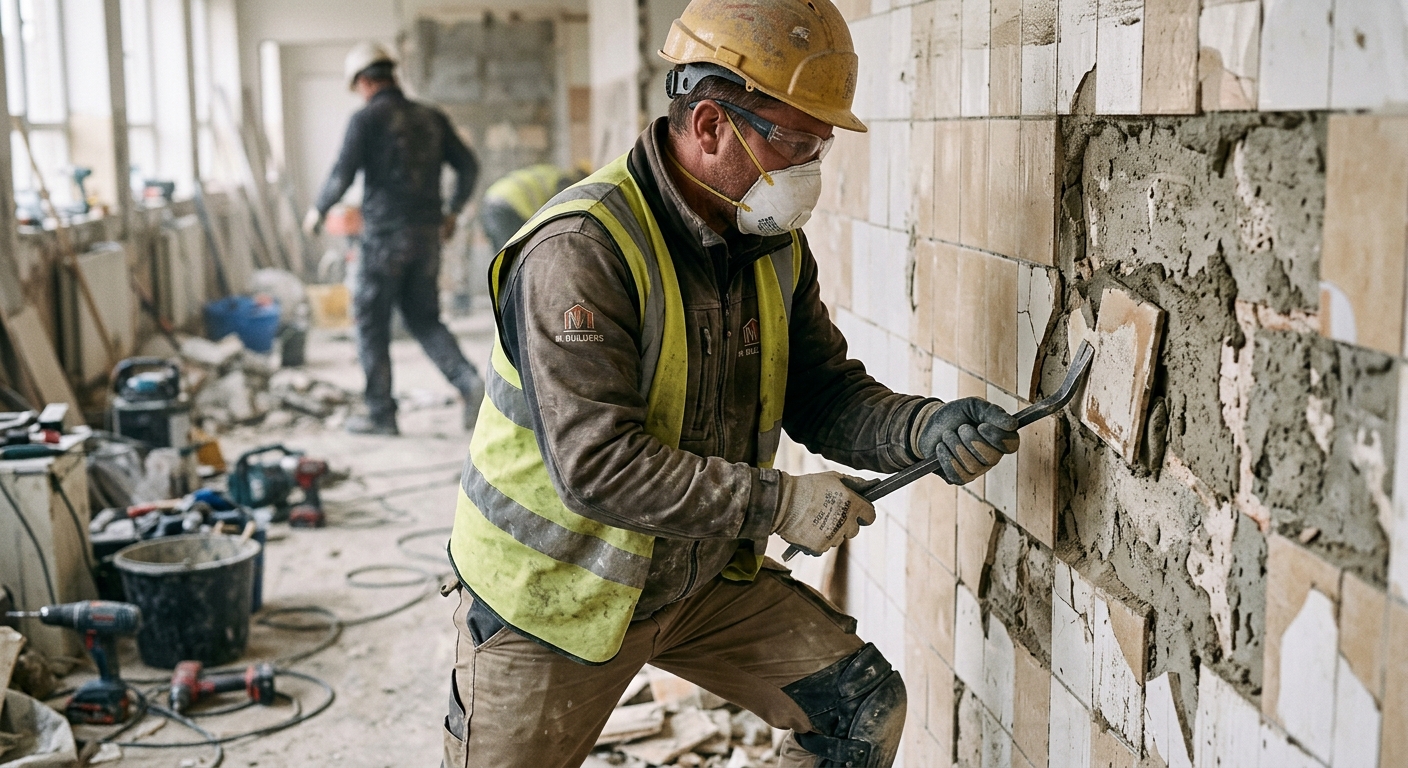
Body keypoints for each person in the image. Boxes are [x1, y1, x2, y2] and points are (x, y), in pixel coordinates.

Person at [439, 0, 1020, 765]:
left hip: (695, 577)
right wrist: (780, 504)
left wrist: (923, 428)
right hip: (555, 594)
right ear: (711, 125)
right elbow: (597, 466)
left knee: (861, 709)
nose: (810, 170)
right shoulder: (580, 252)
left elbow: (821, 391)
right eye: (797, 143)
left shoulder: (771, 243)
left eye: (821, 147)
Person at [303, 42, 484, 436]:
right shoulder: (431, 117)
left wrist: (318, 210)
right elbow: (468, 166)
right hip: (426, 237)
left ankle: (381, 414)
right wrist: (452, 211)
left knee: (371, 323)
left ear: (365, 82)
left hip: (384, 240)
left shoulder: (366, 120)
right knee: (424, 319)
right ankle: (470, 383)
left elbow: (342, 173)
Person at [479, 163, 587, 252]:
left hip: (492, 203)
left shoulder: (552, 173)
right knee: (511, 255)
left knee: (506, 254)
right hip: (508, 206)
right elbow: (563, 214)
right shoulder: (565, 182)